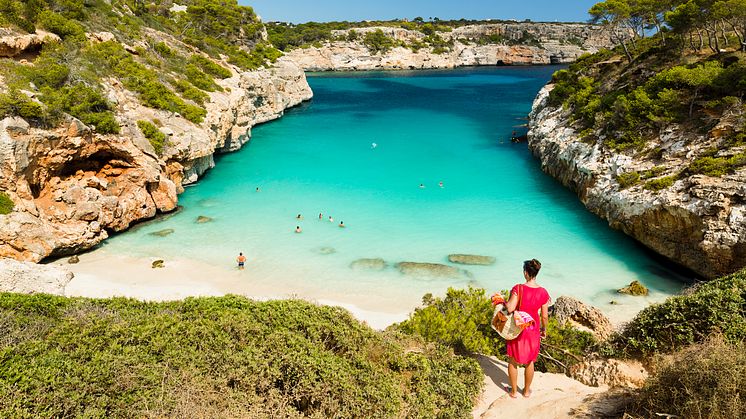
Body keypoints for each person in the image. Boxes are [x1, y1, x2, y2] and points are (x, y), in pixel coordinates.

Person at [503, 259, 550, 399]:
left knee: (513, 360)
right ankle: (526, 391)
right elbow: (545, 316)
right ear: (536, 273)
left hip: (518, 328)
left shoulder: (518, 288)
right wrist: (544, 329)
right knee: (530, 361)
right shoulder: (543, 292)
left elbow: (510, 308)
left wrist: (502, 302)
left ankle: (513, 392)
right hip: (533, 329)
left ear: (525, 273)